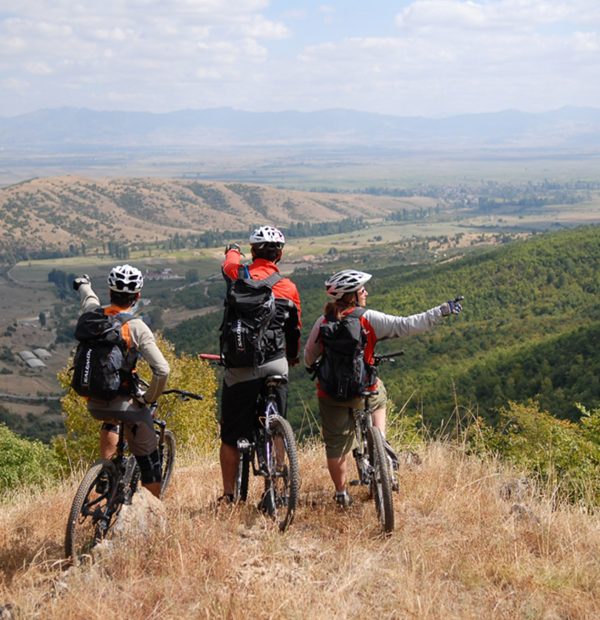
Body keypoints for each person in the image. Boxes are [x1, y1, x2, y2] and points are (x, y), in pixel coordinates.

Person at [303, 269, 462, 507]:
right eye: (362, 290)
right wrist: (441, 311)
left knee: (335, 445)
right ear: (352, 296)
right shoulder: (368, 318)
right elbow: (407, 325)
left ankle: (341, 493)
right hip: (364, 390)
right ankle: (380, 443)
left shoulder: (323, 321)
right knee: (379, 394)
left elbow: (308, 357)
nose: (366, 292)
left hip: (331, 394)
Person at [219, 225, 301, 503]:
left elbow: (229, 263)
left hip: (241, 366)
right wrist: (292, 357)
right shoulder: (288, 287)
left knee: (230, 436)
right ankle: (277, 481)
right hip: (276, 363)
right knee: (276, 420)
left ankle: (229, 496)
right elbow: (294, 330)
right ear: (280, 254)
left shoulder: (237, 275)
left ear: (253, 252)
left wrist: (233, 249)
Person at [73, 265, 170, 498]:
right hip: (126, 405)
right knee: (151, 465)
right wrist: (148, 399)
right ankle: (150, 518)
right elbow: (162, 370)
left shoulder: (92, 316)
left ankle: (106, 471)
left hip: (94, 402)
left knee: (110, 421)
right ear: (137, 296)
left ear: (109, 292)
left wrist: (83, 283)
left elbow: (88, 298)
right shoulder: (136, 327)